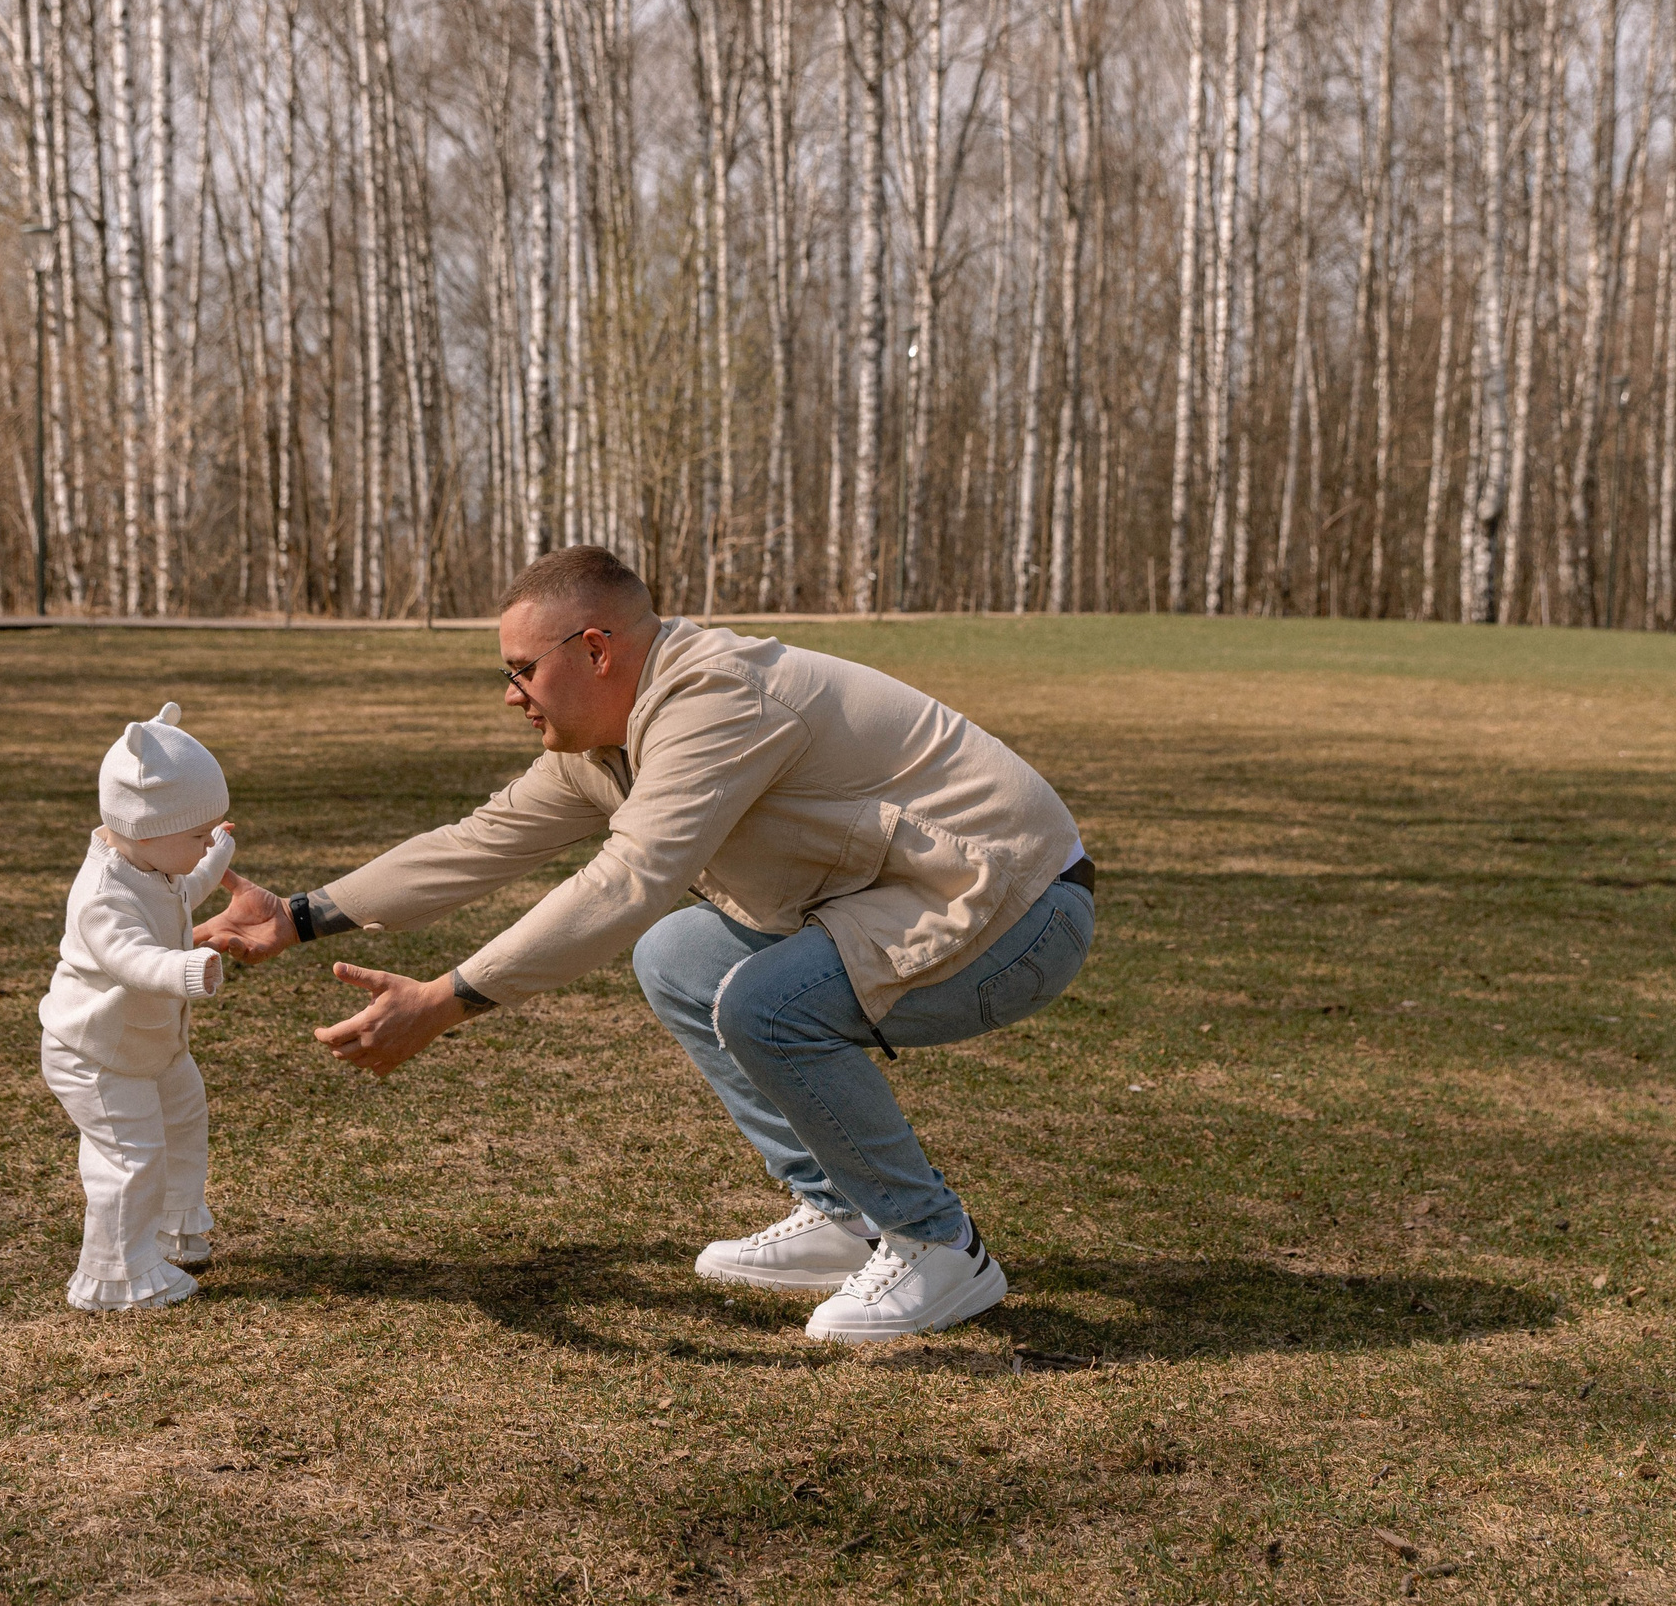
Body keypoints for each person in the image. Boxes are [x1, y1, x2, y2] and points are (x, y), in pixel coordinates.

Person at [196, 549, 1094, 1341]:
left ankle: (939, 1245)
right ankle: (842, 1214)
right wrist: (304, 914)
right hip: (922, 897)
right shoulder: (605, 741)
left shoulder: (714, 699)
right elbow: (479, 842)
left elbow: (628, 880)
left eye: (520, 670)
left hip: (1020, 911)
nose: (509, 694)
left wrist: (448, 1000)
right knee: (677, 957)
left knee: (760, 1000)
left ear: (595, 649)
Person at [38, 702, 238, 1312]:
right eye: (197, 834)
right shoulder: (102, 896)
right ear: (147, 826)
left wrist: (214, 862)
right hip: (96, 1054)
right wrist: (185, 968)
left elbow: (180, 897)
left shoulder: (151, 866)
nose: (204, 841)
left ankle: (174, 1224)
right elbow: (129, 957)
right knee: (130, 1155)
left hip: (151, 1044)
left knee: (185, 1118)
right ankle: (115, 1275)